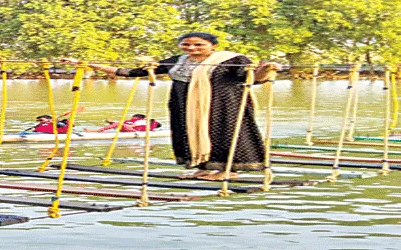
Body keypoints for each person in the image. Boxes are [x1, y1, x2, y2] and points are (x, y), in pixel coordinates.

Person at [77, 32, 277, 180]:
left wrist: (266, 69)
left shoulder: (232, 60)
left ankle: (229, 171)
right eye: (186, 44)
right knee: (187, 133)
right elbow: (132, 72)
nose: (192, 48)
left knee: (224, 133)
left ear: (212, 46)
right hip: (184, 104)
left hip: (224, 104)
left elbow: (254, 79)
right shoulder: (177, 61)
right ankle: (204, 167)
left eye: (198, 45)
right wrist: (90, 64)